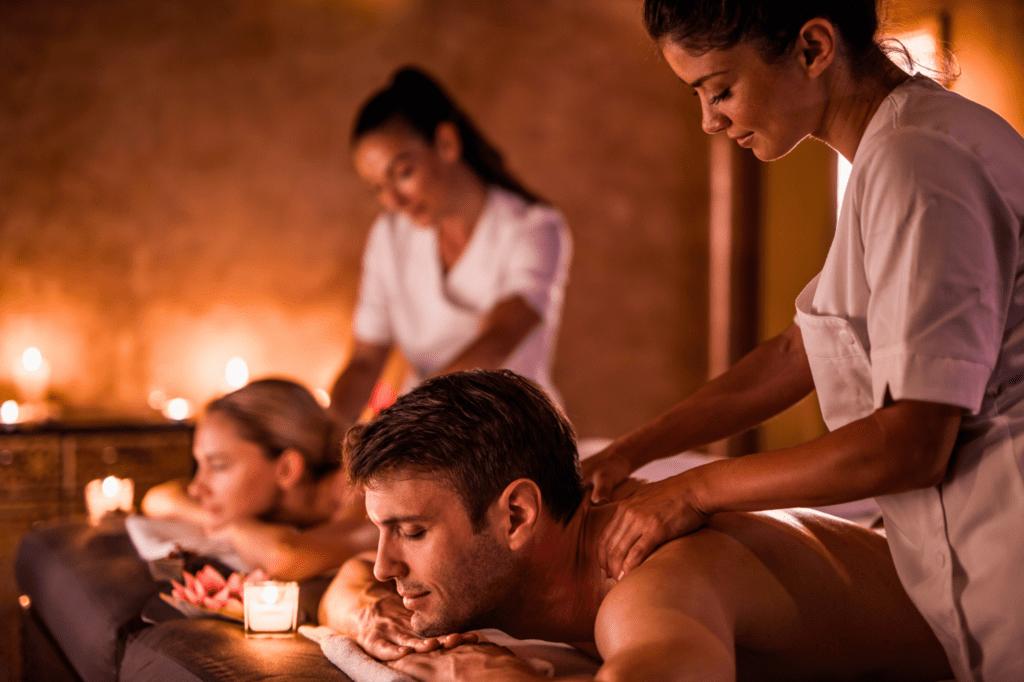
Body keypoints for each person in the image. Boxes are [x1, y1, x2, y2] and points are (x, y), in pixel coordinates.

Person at [579, 2, 1024, 680]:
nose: (710, 120)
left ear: (814, 48)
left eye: (719, 89)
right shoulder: (890, 156)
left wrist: (696, 489)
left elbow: (912, 441)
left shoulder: (920, 163)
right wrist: (631, 453)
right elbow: (799, 350)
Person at [317, 370, 952, 681]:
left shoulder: (650, 584)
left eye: (412, 532)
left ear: (517, 515)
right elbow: (346, 581)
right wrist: (368, 618)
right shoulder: (534, 555)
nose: (384, 566)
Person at [328, 66, 572, 430]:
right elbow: (365, 361)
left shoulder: (532, 228)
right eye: (377, 187)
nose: (392, 200)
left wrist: (399, 422)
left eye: (403, 173)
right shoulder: (389, 236)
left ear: (446, 143)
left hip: (516, 433)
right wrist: (324, 432)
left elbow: (498, 339)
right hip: (422, 432)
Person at [141, 378, 377, 580]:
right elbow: (160, 498)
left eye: (218, 465)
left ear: (286, 469)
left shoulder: (364, 492)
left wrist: (234, 528)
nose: (195, 489)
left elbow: (286, 557)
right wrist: (212, 518)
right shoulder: (281, 504)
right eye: (200, 465)